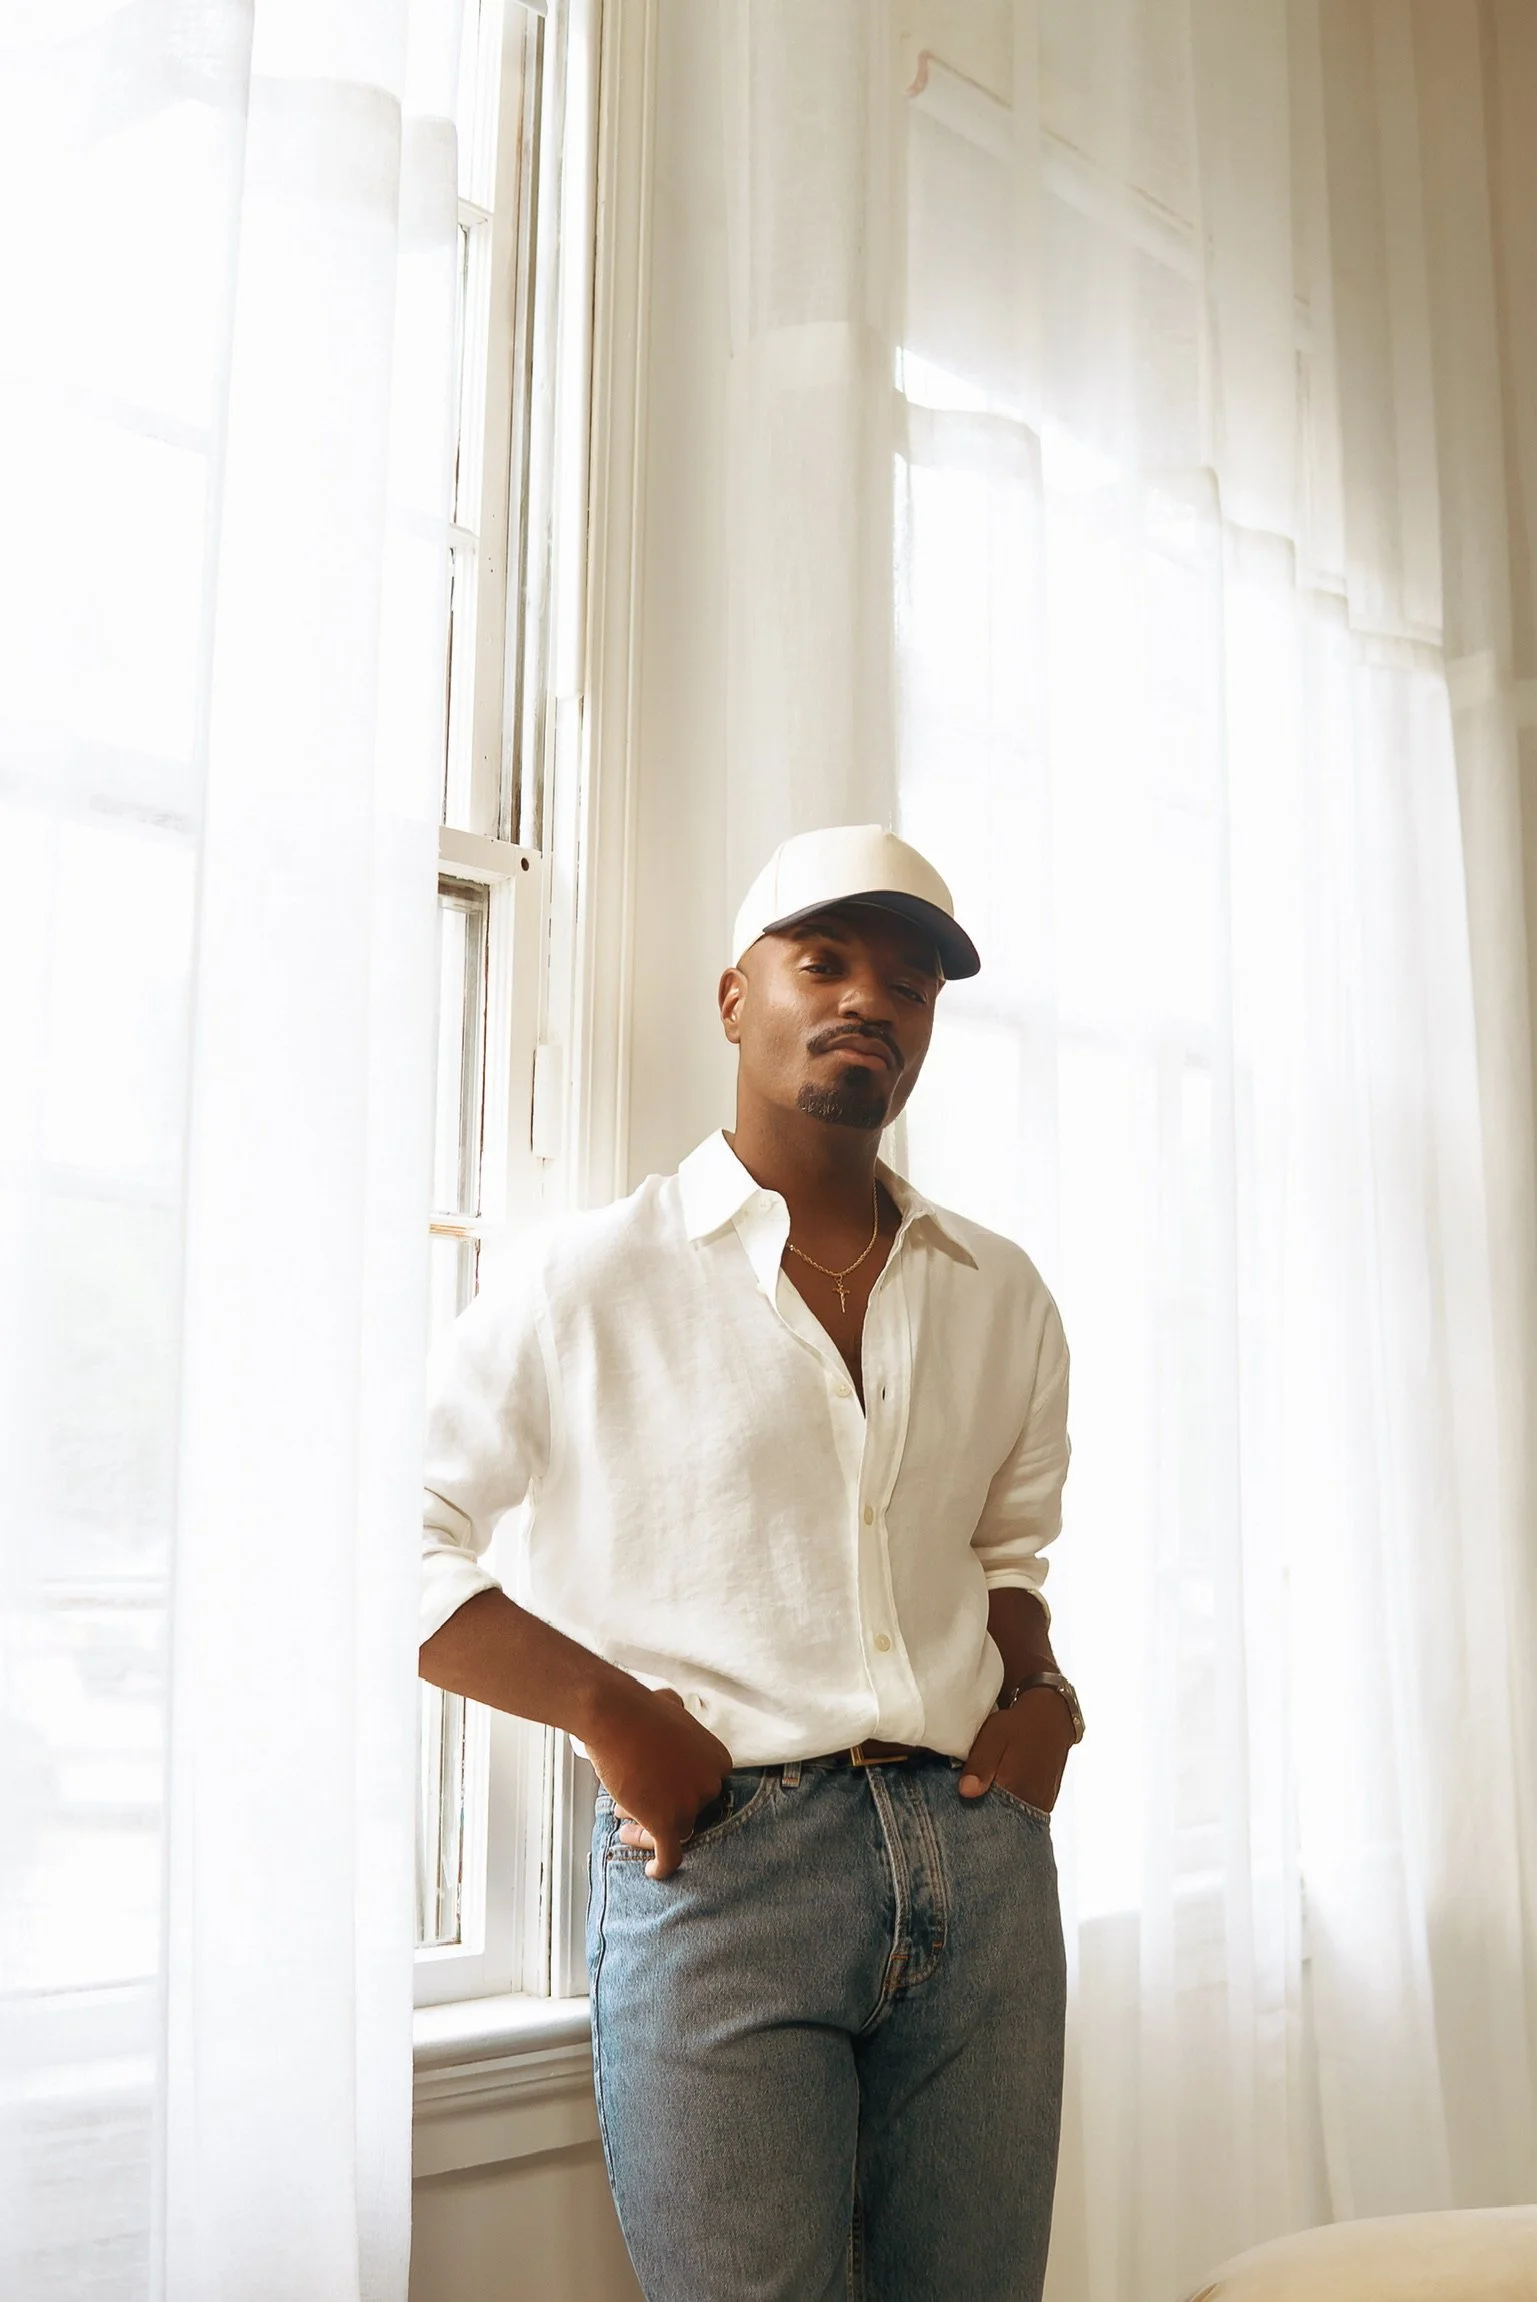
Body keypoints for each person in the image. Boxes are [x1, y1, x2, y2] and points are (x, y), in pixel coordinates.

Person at [418, 823, 1083, 2302]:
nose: (870, 1001)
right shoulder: (587, 1279)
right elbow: (394, 1549)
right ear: (736, 999)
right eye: (823, 959)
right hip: (728, 1873)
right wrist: (610, 1710)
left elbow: (1006, 1547)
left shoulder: (1002, 1293)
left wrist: (1041, 1687)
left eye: (910, 983)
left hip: (979, 1864)